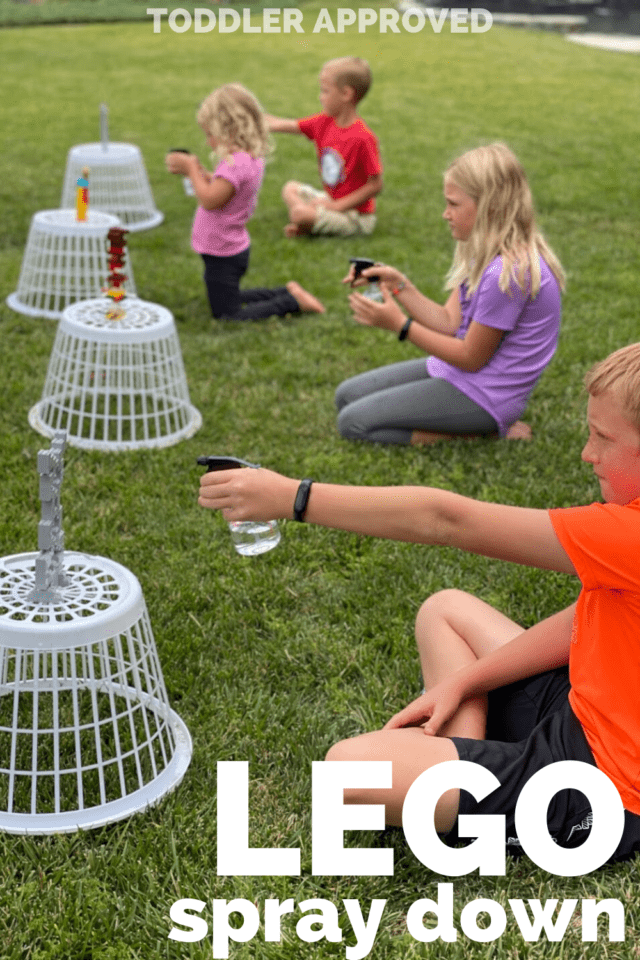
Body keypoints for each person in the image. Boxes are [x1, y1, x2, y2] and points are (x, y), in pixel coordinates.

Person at [198, 342, 640, 862]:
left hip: (604, 787)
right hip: (585, 703)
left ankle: (464, 803)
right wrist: (465, 682)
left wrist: (292, 497)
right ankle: (463, 773)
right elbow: (585, 620)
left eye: (604, 438)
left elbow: (445, 520)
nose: (588, 453)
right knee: (445, 609)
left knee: (347, 773)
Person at [337, 142, 565, 445]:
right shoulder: (483, 252)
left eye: (454, 204)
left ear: (489, 206)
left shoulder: (507, 273)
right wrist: (398, 285)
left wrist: (400, 326)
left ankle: (480, 432)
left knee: (353, 424)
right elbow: (448, 321)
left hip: (485, 395)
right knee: (346, 396)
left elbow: (471, 357)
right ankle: (467, 425)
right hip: (457, 373)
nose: (445, 214)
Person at [166, 83, 324, 321]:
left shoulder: (235, 164)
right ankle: (285, 292)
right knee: (228, 297)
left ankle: (291, 302)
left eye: (210, 134)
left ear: (229, 129)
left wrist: (190, 171)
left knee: (227, 314)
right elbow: (224, 189)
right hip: (226, 247)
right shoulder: (246, 158)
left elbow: (210, 200)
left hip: (223, 251)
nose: (208, 141)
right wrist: (205, 175)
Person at [265, 57, 383, 238]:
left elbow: (375, 185)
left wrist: (336, 207)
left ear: (346, 94)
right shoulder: (324, 122)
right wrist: (252, 118)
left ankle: (306, 220)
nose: (320, 97)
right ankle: (309, 220)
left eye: (325, 91)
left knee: (299, 214)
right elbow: (283, 125)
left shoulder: (363, 138)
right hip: (331, 200)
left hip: (356, 216)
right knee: (290, 188)